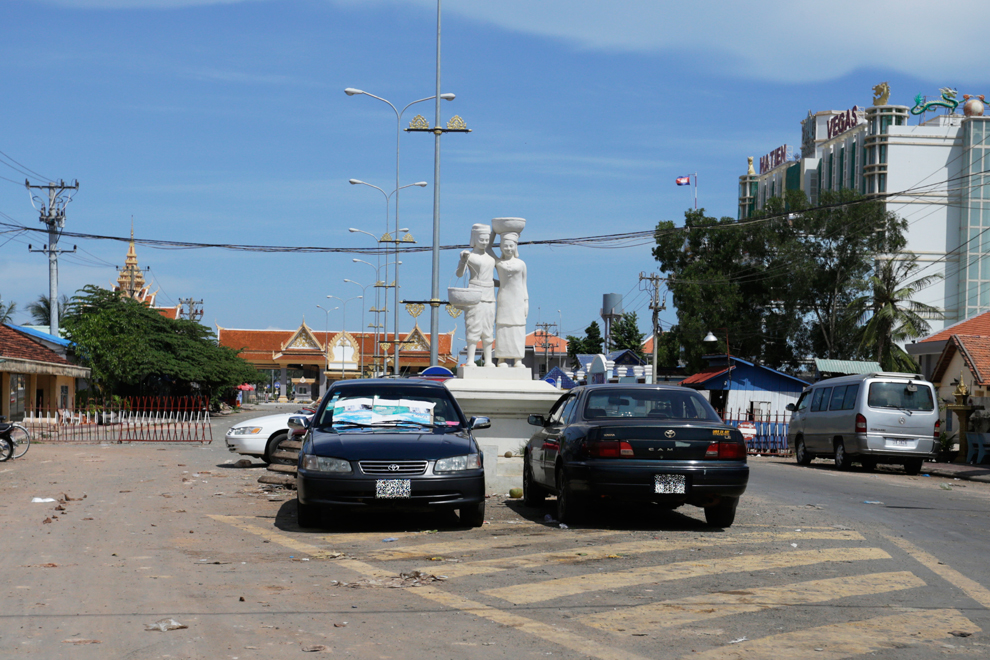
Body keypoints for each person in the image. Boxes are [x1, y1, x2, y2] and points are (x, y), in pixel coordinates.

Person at [455, 224, 496, 366]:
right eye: (481, 239)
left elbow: (491, 278)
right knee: (473, 326)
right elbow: (459, 274)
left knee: (488, 329)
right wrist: (463, 261)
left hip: (490, 296)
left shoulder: (491, 259)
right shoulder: (470, 256)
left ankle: (488, 361)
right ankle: (470, 360)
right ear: (474, 238)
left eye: (487, 240)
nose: (484, 242)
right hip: (474, 294)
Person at [490, 231, 528, 368]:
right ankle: (502, 359)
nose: (508, 248)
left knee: (518, 327)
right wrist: (494, 232)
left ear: (515, 246)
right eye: (505, 246)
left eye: (511, 246)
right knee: (502, 326)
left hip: (518, 299)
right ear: (500, 247)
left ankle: (518, 359)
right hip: (504, 298)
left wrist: (526, 302)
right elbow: (488, 248)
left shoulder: (521, 264)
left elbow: (524, 284)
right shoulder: (498, 263)